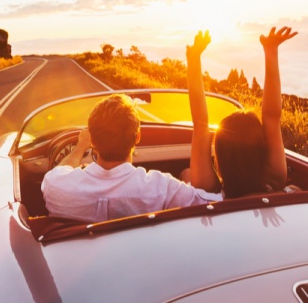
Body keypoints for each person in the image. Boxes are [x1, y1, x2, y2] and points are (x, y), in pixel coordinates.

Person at [41, 94, 222, 223]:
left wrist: (80, 148)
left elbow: (59, 171)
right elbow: (215, 203)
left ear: (93, 141)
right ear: (137, 138)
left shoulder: (54, 185)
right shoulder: (161, 188)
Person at [186, 27, 298, 198]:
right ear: (262, 150)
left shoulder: (210, 191)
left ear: (219, 157)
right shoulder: (275, 179)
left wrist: (193, 59)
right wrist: (271, 51)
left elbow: (200, 124)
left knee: (185, 174)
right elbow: (271, 117)